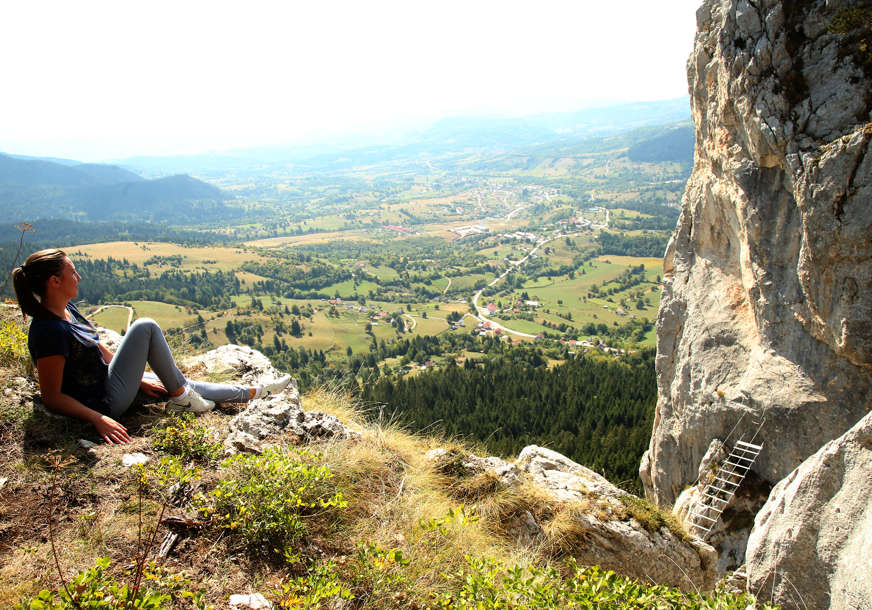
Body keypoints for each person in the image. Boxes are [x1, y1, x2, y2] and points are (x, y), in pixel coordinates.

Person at [12, 248, 291, 444]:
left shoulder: (66, 309)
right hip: (103, 401)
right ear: (55, 281)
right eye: (73, 272)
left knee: (176, 381)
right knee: (145, 326)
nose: (79, 277)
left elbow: (97, 350)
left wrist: (136, 380)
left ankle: (255, 392)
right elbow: (51, 396)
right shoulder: (48, 331)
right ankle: (183, 398)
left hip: (108, 383)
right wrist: (98, 418)